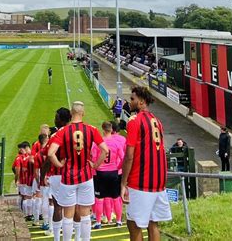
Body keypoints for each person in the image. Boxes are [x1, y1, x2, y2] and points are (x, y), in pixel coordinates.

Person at [48, 101, 109, 241]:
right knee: (85, 214)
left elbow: (51, 153)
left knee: (67, 214)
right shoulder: (91, 129)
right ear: (83, 113)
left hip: (68, 177)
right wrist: (95, 166)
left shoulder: (63, 131)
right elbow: (105, 150)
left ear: (71, 113)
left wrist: (59, 165)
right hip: (86, 176)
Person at [121, 86, 171, 241]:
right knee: (152, 223)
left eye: (132, 99)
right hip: (158, 182)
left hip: (140, 182)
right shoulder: (157, 121)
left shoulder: (135, 121)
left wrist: (123, 183)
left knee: (134, 225)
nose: (130, 101)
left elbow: (129, 156)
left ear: (141, 101)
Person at [40, 107, 72, 239]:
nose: (54, 119)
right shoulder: (75, 133)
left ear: (61, 119)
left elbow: (48, 158)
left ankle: (57, 237)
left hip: (58, 175)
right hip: (72, 174)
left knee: (58, 206)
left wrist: (42, 176)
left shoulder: (55, 136)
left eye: (56, 117)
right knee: (72, 207)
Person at [92, 122, 125, 229]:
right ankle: (119, 221)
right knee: (115, 197)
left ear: (103, 130)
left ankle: (98, 222)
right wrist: (117, 167)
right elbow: (123, 158)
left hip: (101, 173)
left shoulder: (98, 143)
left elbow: (94, 157)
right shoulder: (117, 143)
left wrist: (95, 166)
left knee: (99, 198)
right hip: (113, 172)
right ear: (111, 130)